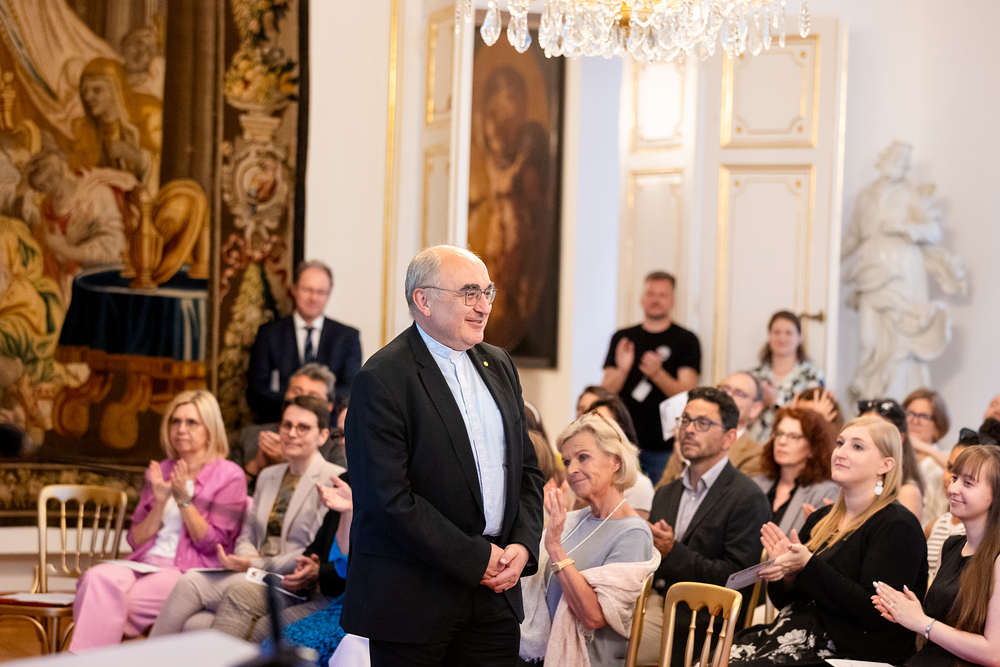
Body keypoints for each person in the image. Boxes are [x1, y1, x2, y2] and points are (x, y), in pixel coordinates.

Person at [340, 245, 545, 666]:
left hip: (495, 593)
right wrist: (476, 558)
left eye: (487, 292)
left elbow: (526, 470)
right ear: (424, 300)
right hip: (413, 596)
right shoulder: (382, 378)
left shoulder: (499, 364)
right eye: (469, 293)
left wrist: (523, 545)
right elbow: (388, 500)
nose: (483, 306)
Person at [729, 415, 928, 666]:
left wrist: (808, 564)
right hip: (795, 634)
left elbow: (872, 613)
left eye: (857, 446)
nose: (841, 453)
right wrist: (787, 573)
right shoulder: (821, 518)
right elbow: (784, 602)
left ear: (885, 464)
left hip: (851, 651)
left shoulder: (897, 525)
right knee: (708, 659)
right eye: (840, 443)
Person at [149, 395, 343, 636]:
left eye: (303, 427)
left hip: (291, 580)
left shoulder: (333, 479)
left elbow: (312, 551)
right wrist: (246, 557)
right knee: (191, 597)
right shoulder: (268, 475)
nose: (292, 433)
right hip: (255, 572)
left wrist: (252, 563)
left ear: (323, 436)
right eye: (287, 425)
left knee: (206, 598)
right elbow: (247, 533)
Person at [68, 391, 246, 651]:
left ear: (210, 430)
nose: (180, 429)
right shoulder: (161, 471)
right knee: (96, 578)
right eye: (175, 421)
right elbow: (136, 540)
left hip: (189, 571)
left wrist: (183, 499)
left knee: (108, 604)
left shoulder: (230, 475)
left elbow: (212, 544)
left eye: (191, 422)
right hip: (144, 563)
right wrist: (160, 502)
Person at [635, 387, 771, 666]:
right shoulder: (666, 493)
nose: (689, 430)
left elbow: (737, 579)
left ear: (729, 437)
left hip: (704, 623)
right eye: (685, 420)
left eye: (702, 423)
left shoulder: (747, 497)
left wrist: (672, 552)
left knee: (599, 641)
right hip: (652, 603)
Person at [518, 413, 657, 665]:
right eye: (567, 461)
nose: (571, 469)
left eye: (583, 457)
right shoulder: (576, 519)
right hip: (544, 654)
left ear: (615, 461)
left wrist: (555, 548)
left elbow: (594, 616)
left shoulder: (633, 532)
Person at [873, 444, 1000, 666]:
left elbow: (994, 654)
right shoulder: (950, 546)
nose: (953, 488)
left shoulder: (997, 558)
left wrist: (922, 621)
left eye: (968, 483)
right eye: (955, 478)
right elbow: (939, 631)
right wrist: (909, 613)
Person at [601, 271, 701, 484]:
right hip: (623, 441)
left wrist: (657, 374)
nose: (656, 300)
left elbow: (687, 394)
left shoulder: (686, 340)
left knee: (660, 499)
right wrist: (623, 370)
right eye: (651, 294)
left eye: (662, 295)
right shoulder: (623, 337)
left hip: (664, 446)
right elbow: (604, 392)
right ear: (642, 298)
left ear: (672, 301)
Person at [247, 260, 361, 423]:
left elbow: (350, 391)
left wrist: (308, 397)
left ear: (329, 294)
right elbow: (256, 392)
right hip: (279, 425)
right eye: (308, 290)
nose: (313, 298)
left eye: (321, 292)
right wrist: (297, 402)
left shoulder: (348, 337)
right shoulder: (268, 334)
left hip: (328, 429)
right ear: (294, 290)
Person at [231, 363, 347, 493]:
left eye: (312, 396)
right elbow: (226, 495)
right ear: (286, 395)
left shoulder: (337, 441)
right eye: (297, 392)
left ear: (329, 407)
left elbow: (337, 490)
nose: (303, 400)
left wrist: (288, 460)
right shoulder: (250, 436)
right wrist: (255, 466)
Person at [70, 57, 162, 191]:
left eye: (97, 90)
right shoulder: (84, 130)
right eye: (84, 91)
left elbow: (166, 165)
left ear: (115, 89)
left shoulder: (148, 114)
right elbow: (78, 174)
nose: (88, 97)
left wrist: (139, 158)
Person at [661, 372, 766, 484]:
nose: (728, 396)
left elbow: (735, 493)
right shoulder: (692, 438)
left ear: (755, 409)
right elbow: (661, 491)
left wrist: (685, 465)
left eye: (739, 394)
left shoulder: (756, 455)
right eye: (724, 390)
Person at [752, 407, 838, 537]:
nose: (782, 441)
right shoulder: (756, 484)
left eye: (794, 437)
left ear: (812, 448)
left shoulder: (825, 492)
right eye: (779, 433)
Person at [748, 311, 824, 442]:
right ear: (769, 336)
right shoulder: (754, 376)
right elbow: (741, 419)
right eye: (777, 332)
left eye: (788, 333)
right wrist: (760, 403)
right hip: (755, 445)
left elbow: (814, 418)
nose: (782, 338)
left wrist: (775, 402)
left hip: (792, 444)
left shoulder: (812, 375)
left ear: (799, 337)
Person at [585, 393, 655, 519]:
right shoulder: (577, 478)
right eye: (589, 427)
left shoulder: (638, 485)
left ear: (621, 435)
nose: (593, 434)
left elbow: (631, 531)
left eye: (602, 426)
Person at [859, 398, 926, 522]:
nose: (863, 437)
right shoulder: (853, 482)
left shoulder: (907, 492)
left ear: (899, 438)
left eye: (875, 431)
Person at [924, 436, 971, 577]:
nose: (949, 479)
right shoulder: (933, 526)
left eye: (965, 477)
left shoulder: (982, 534)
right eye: (949, 468)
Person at [904, 388, 952, 521]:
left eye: (923, 416)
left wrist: (922, 446)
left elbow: (961, 470)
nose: (914, 421)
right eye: (910, 413)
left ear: (937, 427)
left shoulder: (942, 459)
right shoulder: (894, 456)